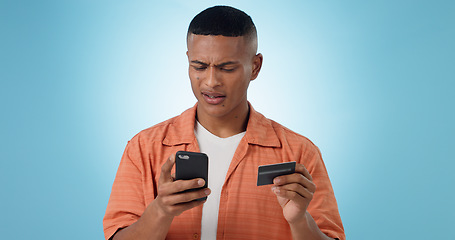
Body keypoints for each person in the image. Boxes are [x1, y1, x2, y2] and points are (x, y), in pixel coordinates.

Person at [103, 5, 345, 240]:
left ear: (255, 67)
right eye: (199, 66)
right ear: (188, 60)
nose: (210, 82)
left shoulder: (301, 153)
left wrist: (300, 220)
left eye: (227, 68)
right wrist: (160, 211)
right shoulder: (143, 148)